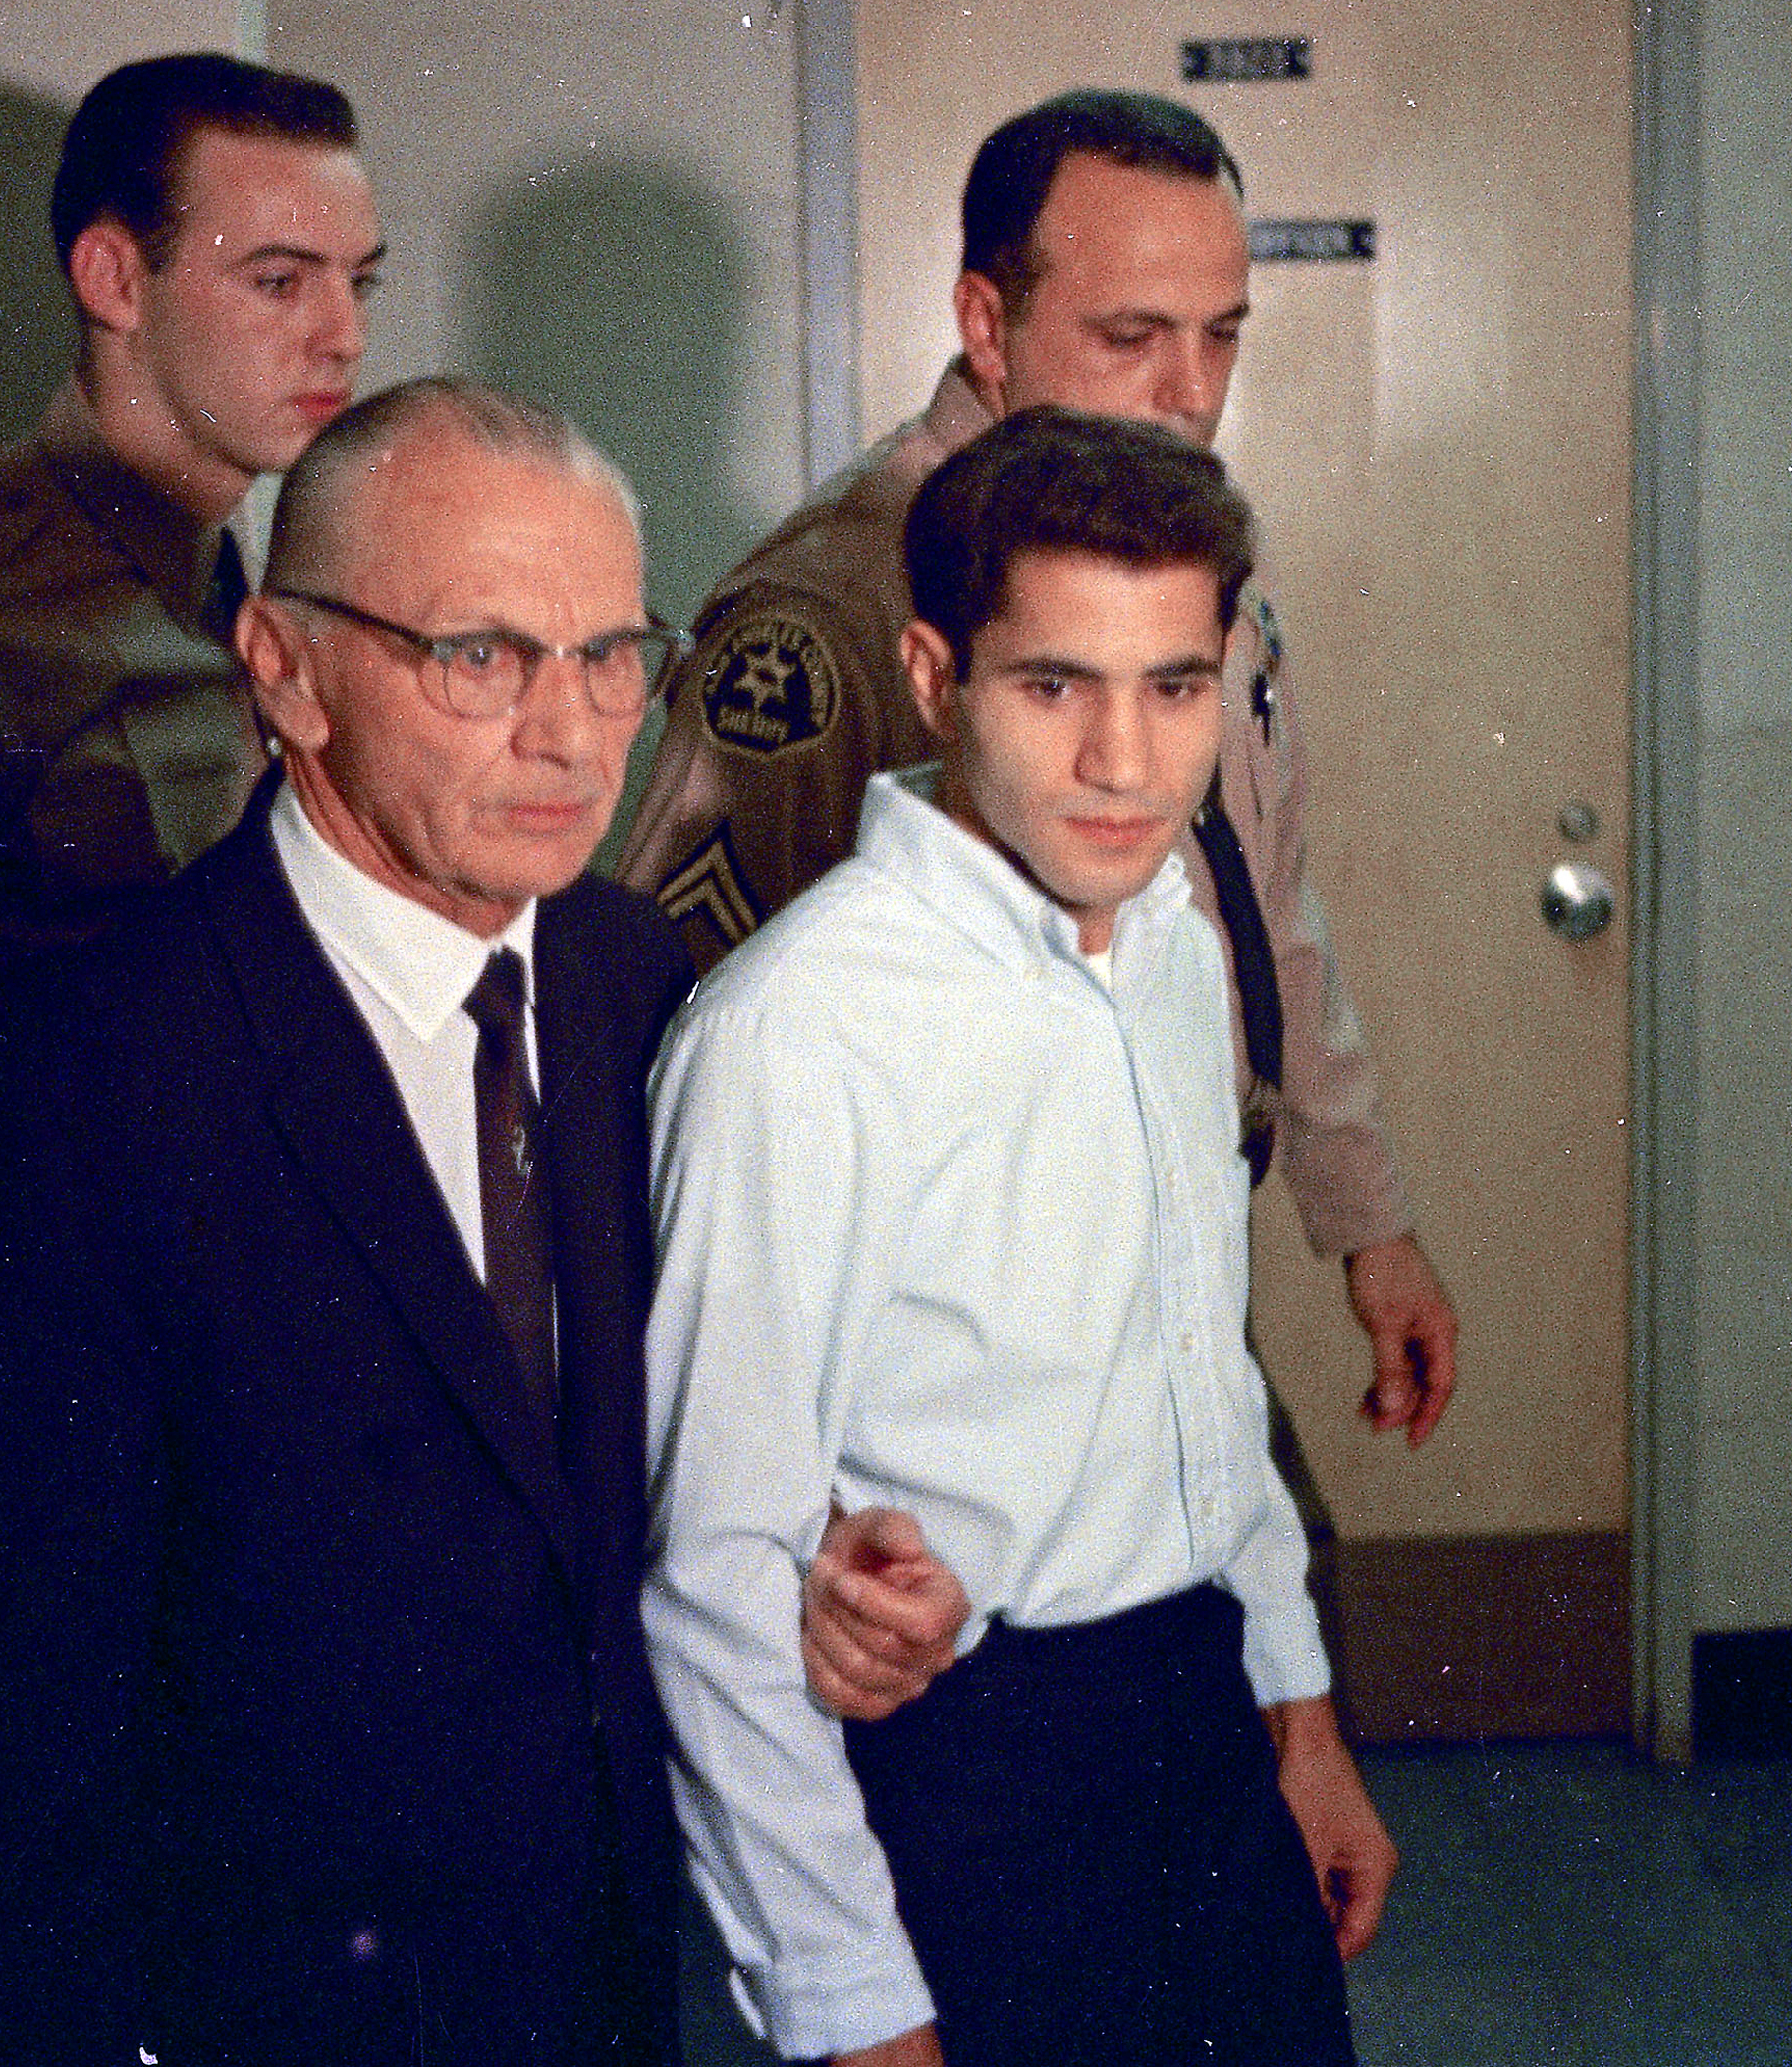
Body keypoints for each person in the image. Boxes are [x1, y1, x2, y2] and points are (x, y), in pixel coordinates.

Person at [0, 378, 694, 2065]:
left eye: (610, 655)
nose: (575, 733)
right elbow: (1, 1746)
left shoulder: (637, 987)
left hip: (604, 1980)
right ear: (284, 671)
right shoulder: (75, 1088)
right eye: (481, 656)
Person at [619, 97, 1455, 1704]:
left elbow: (1262, 909)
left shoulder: (1175, 546)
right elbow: (663, 1039)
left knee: (1270, 1678)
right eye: (1133, 334)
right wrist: (795, 1527)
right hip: (957, 1401)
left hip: (1166, 1270)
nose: (1191, 392)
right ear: (984, 325)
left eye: (1223, 334)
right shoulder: (839, 611)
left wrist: (1367, 1221)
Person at [644, 408, 1394, 2067]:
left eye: (1175, 689)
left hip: (1202, 1720)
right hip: (966, 1774)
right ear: (932, 675)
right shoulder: (798, 1033)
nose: (1127, 763)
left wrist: (1304, 1724)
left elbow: (1207, 1388)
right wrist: (854, 2008)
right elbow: (715, 1580)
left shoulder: (1177, 947)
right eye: (1054, 687)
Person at [0, 50, 382, 978]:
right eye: (280, 282)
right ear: (113, 279)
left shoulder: (222, 567)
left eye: (359, 283)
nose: (343, 337)